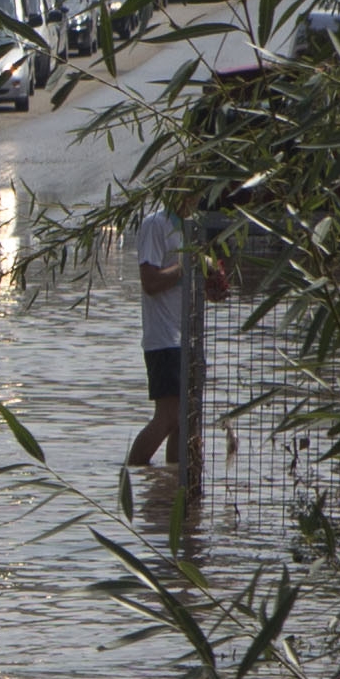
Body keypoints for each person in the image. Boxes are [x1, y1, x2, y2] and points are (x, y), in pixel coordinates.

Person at [124, 187, 232, 515]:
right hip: (164, 337)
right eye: (190, 189)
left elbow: (197, 284)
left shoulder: (191, 228)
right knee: (169, 416)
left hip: (189, 337)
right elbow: (150, 281)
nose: (195, 196)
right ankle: (131, 476)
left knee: (186, 422)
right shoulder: (155, 225)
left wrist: (213, 285)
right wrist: (189, 264)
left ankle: (173, 485)